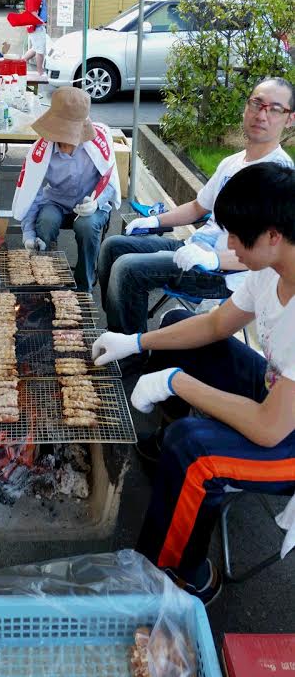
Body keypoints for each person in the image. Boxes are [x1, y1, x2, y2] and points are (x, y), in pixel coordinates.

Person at [92, 162, 295, 605]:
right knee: (183, 325)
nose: (230, 246)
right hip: (281, 395)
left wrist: (177, 383)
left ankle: (179, 576)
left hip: (287, 434)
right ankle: (167, 456)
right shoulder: (270, 266)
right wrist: (136, 341)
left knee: (193, 449)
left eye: (238, 237)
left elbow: (268, 429)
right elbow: (216, 324)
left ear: (274, 235)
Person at [98, 77, 294, 335]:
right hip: (195, 248)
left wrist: (213, 259)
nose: (262, 114)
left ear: (290, 119)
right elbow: (197, 207)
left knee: (128, 269)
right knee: (113, 246)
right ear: (246, 108)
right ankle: (118, 333)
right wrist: (156, 221)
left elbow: (266, 253)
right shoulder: (233, 162)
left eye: (275, 109)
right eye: (257, 104)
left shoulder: (279, 177)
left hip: (223, 271)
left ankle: (131, 356)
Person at [13, 87, 121, 291]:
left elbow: (111, 181)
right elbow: (31, 193)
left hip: (91, 203)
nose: (64, 144)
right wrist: (28, 232)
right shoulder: (41, 151)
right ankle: (46, 281)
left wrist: (96, 201)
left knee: (87, 227)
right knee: (45, 222)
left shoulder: (99, 143)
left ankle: (84, 286)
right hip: (56, 201)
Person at [23, 0, 47, 75]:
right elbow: (33, 12)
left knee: (35, 48)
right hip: (36, 27)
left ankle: (21, 62)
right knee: (40, 50)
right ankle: (40, 72)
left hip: (37, 26)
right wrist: (41, 22)